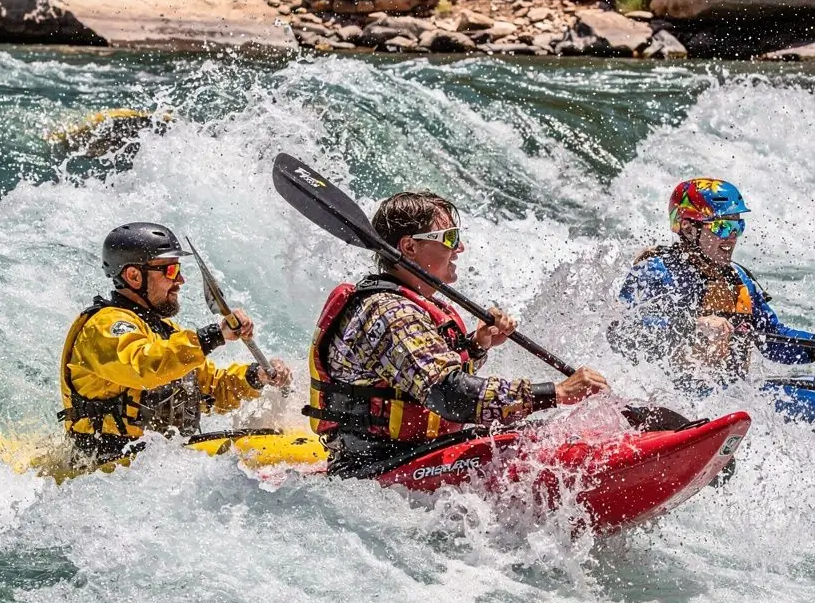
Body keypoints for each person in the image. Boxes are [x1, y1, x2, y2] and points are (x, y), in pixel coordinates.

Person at [306, 190, 608, 473]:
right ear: (410, 246)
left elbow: (419, 379)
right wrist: (556, 393)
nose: (459, 247)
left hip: (409, 453)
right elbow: (449, 395)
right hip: (376, 466)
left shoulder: (410, 305)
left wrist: (477, 346)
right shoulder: (390, 313)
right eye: (450, 238)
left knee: (533, 433)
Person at [59, 222, 292, 460]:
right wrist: (214, 335)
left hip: (157, 468)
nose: (180, 280)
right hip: (104, 472)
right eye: (170, 270)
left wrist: (257, 376)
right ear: (134, 276)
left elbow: (210, 388)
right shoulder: (103, 327)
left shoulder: (164, 332)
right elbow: (145, 366)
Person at [609, 177, 815, 385]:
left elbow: (773, 341)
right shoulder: (655, 271)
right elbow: (623, 330)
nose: (732, 236)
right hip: (669, 394)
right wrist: (692, 325)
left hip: (733, 396)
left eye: (738, 226)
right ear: (689, 228)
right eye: (723, 226)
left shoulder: (738, 279)